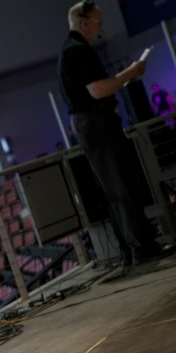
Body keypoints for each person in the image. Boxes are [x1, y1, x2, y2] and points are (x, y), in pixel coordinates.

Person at [58, 1, 168, 266]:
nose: (100, 27)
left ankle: (134, 248)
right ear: (84, 23)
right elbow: (97, 90)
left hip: (90, 125)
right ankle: (142, 248)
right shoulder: (79, 51)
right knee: (121, 183)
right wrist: (129, 73)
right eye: (97, 21)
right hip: (96, 124)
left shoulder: (71, 51)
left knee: (117, 183)